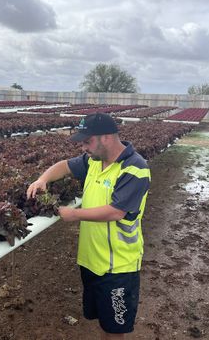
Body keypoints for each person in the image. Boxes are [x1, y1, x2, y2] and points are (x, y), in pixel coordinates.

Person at [26, 113, 151, 340]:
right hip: (91, 260)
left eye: (87, 141)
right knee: (104, 322)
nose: (83, 147)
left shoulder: (135, 168)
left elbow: (116, 211)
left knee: (115, 330)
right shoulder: (93, 161)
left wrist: (73, 214)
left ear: (106, 137)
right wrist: (42, 179)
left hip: (118, 267)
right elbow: (64, 166)